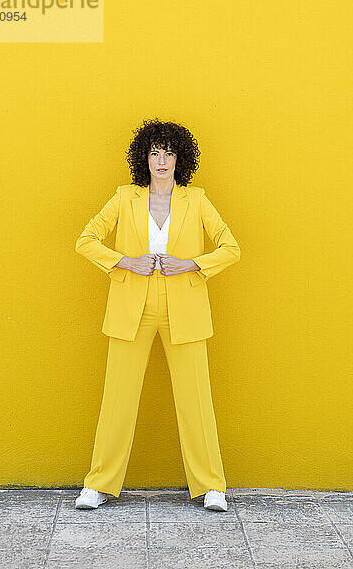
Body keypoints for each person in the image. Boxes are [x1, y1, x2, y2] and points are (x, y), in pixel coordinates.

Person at [74, 118, 241, 512]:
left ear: (179, 158)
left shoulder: (196, 199)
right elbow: (86, 240)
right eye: (154, 152)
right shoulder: (124, 198)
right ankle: (98, 484)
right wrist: (125, 261)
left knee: (196, 398)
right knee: (117, 397)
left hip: (185, 308)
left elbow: (230, 247)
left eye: (168, 152)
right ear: (143, 157)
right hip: (132, 308)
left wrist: (192, 265)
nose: (161, 160)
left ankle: (211, 485)